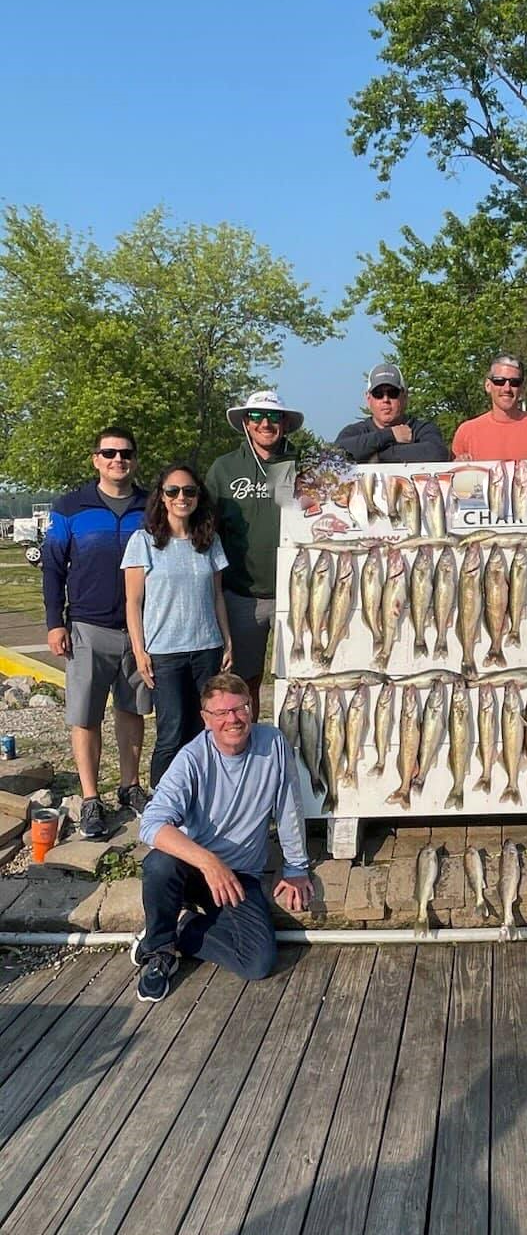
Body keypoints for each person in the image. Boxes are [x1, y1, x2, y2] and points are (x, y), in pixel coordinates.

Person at [131, 673, 314, 1003]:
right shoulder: (192, 758)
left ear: (251, 708)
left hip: (239, 874)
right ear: (206, 719)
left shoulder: (273, 744)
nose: (233, 719)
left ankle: (183, 927)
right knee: (159, 864)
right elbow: (151, 823)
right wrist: (207, 861)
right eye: (221, 713)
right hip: (192, 867)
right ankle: (159, 952)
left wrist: (296, 868)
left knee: (258, 962)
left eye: (240, 708)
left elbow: (289, 808)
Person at [41, 427, 152, 839]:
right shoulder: (70, 508)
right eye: (109, 453)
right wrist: (55, 621)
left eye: (125, 454)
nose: (117, 460)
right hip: (87, 627)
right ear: (96, 459)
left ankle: (130, 786)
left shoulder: (151, 506)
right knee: (85, 716)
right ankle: (90, 798)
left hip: (139, 630)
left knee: (132, 710)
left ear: (135, 460)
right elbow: (53, 566)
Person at [122, 463, 233, 787]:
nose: (181, 497)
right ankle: (163, 806)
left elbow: (217, 596)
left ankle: (203, 797)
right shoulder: (144, 542)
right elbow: (133, 603)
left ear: (198, 496)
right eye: (173, 491)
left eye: (189, 491)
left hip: (206, 649)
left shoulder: (209, 542)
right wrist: (140, 652)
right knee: (171, 732)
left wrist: (227, 640)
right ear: (162, 496)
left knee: (205, 729)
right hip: (165, 653)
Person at [206, 389, 303, 719]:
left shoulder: (301, 463)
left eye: (274, 417)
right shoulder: (224, 468)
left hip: (298, 591)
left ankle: (296, 751)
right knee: (246, 681)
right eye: (257, 417)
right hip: (243, 595)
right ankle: (252, 746)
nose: (265, 423)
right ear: (245, 423)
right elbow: (207, 529)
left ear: (285, 423)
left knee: (302, 677)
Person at [451, 355, 527, 462]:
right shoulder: (466, 432)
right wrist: (459, 467)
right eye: (499, 381)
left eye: (514, 382)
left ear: (521, 388)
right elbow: (451, 475)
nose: (507, 388)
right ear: (488, 385)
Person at [334, 363, 448, 463]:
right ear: (368, 399)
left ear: (404, 397)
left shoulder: (422, 430)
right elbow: (336, 455)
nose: (385, 399)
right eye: (378, 394)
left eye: (392, 393)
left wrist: (376, 456)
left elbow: (438, 453)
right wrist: (390, 435)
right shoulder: (354, 432)